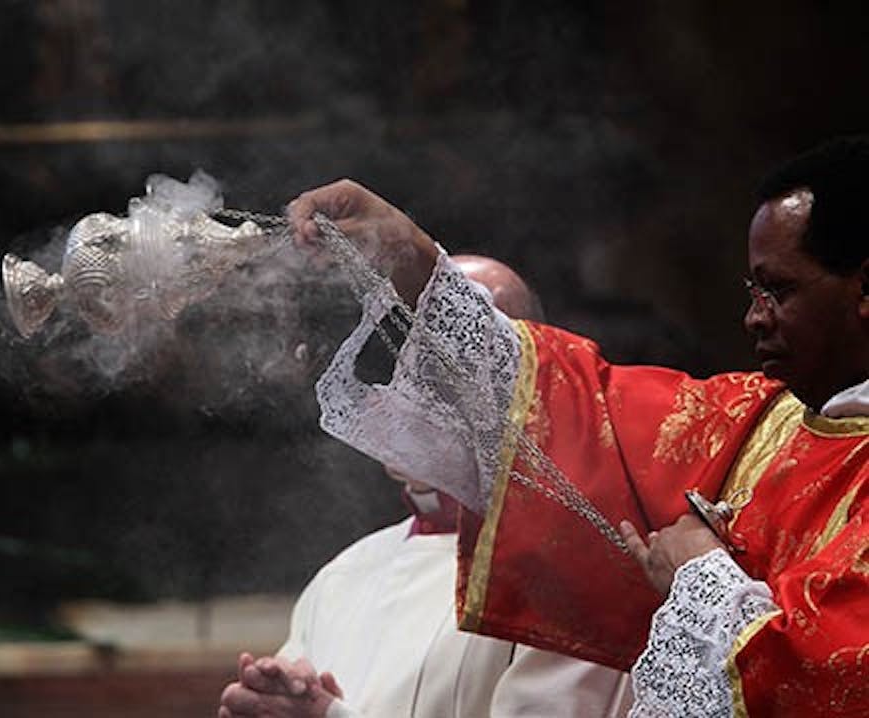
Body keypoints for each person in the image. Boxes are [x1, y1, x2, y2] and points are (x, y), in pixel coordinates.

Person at [280, 137, 869, 717]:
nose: (753, 317)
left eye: (780, 290)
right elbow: (567, 411)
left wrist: (700, 577)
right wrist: (407, 255)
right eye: (753, 290)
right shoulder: (761, 424)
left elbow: (832, 680)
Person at [218, 256, 632, 718]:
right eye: (399, 359)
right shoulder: (343, 575)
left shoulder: (578, 576)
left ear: (526, 381)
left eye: (451, 365)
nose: (408, 386)